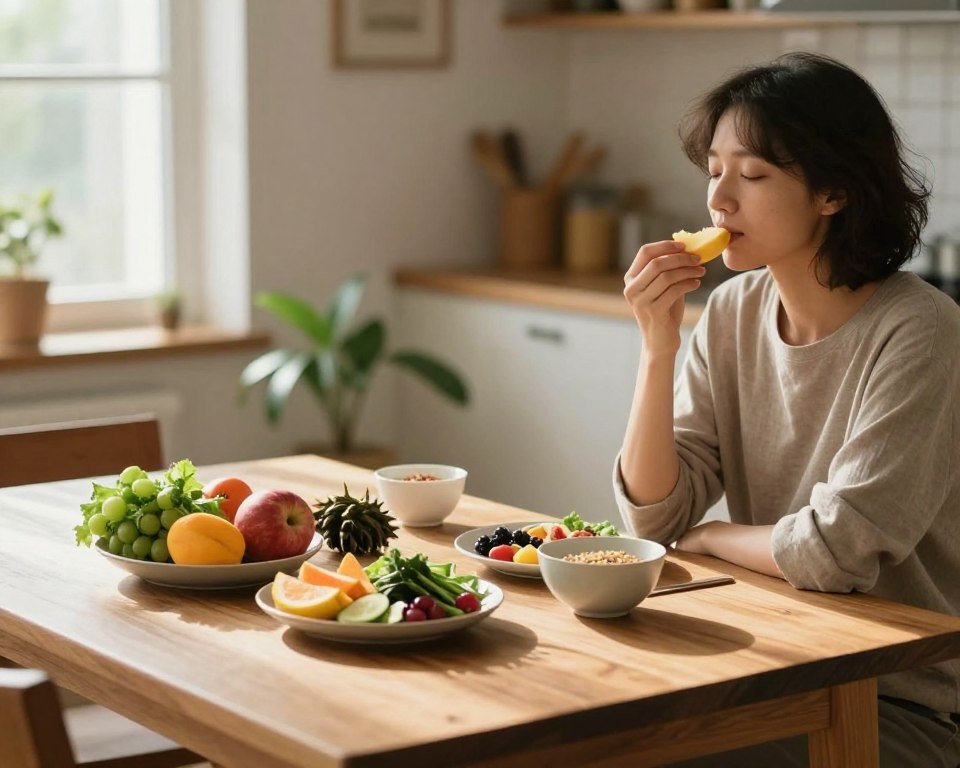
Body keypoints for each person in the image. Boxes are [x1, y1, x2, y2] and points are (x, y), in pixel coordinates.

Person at [615, 52, 960, 767]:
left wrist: (714, 540)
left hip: (894, 696)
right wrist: (657, 347)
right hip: (767, 657)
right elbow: (655, 516)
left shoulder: (921, 331)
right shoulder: (732, 311)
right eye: (714, 169)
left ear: (832, 192)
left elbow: (838, 552)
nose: (719, 200)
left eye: (753, 174)